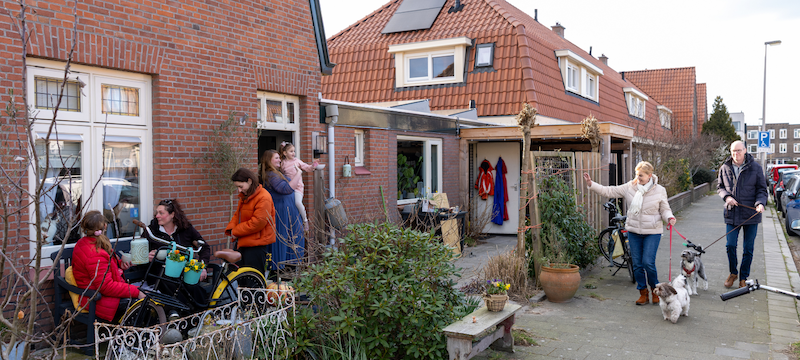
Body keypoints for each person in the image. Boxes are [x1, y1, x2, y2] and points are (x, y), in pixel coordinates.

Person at [584, 161, 676, 305]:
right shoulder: (629, 187)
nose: (637, 178)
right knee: (637, 265)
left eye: (641, 176)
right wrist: (591, 184)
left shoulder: (660, 190)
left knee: (648, 263)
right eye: (636, 175)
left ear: (649, 175)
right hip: (633, 231)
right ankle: (643, 293)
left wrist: (669, 217)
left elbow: (664, 209)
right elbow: (609, 191)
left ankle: (655, 290)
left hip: (652, 232)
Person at [72, 210, 144, 323]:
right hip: (97, 300)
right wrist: (137, 292)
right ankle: (127, 337)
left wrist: (120, 265)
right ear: (105, 226)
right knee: (143, 304)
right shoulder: (95, 253)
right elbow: (106, 286)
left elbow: (103, 269)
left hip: (97, 295)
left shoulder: (83, 243)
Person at [717, 140, 767, 289]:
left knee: (748, 248)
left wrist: (760, 203)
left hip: (751, 214)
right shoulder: (724, 168)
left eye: (738, 151)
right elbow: (719, 187)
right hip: (732, 214)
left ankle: (743, 277)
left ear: (745, 150)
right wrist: (727, 197)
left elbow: (762, 190)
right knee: (730, 245)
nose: (735, 154)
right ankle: (733, 273)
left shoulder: (756, 168)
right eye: (733, 151)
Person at [225, 168, 276, 275]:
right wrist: (231, 230)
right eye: (237, 187)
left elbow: (257, 223)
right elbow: (237, 215)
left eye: (240, 186)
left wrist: (235, 231)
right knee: (243, 281)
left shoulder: (263, 197)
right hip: (245, 242)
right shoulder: (245, 196)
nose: (239, 190)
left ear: (249, 181)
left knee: (253, 283)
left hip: (256, 246)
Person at [261, 150, 306, 272]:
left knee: (291, 241)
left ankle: (287, 272)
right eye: (276, 158)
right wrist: (298, 173)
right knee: (283, 242)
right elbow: (286, 189)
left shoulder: (276, 173)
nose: (279, 160)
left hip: (288, 213)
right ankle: (280, 274)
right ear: (268, 160)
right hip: (281, 215)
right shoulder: (270, 174)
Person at [279, 142, 318, 232]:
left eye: (294, 151)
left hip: (298, 187)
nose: (293, 153)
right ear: (285, 153)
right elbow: (281, 174)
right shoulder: (283, 163)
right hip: (288, 188)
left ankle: (305, 221)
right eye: (291, 151)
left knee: (298, 203)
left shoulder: (297, 161)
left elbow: (307, 168)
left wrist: (313, 166)